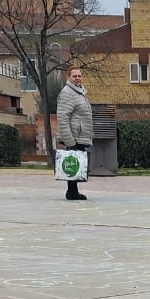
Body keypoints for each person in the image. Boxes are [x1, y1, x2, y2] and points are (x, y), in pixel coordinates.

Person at [56, 67, 93, 201]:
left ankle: (73, 191)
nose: (77, 78)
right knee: (73, 163)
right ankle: (72, 192)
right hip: (74, 136)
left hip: (80, 135)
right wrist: (70, 141)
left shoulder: (79, 93)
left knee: (76, 164)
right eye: (74, 76)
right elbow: (63, 117)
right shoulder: (67, 93)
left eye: (79, 75)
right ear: (69, 78)